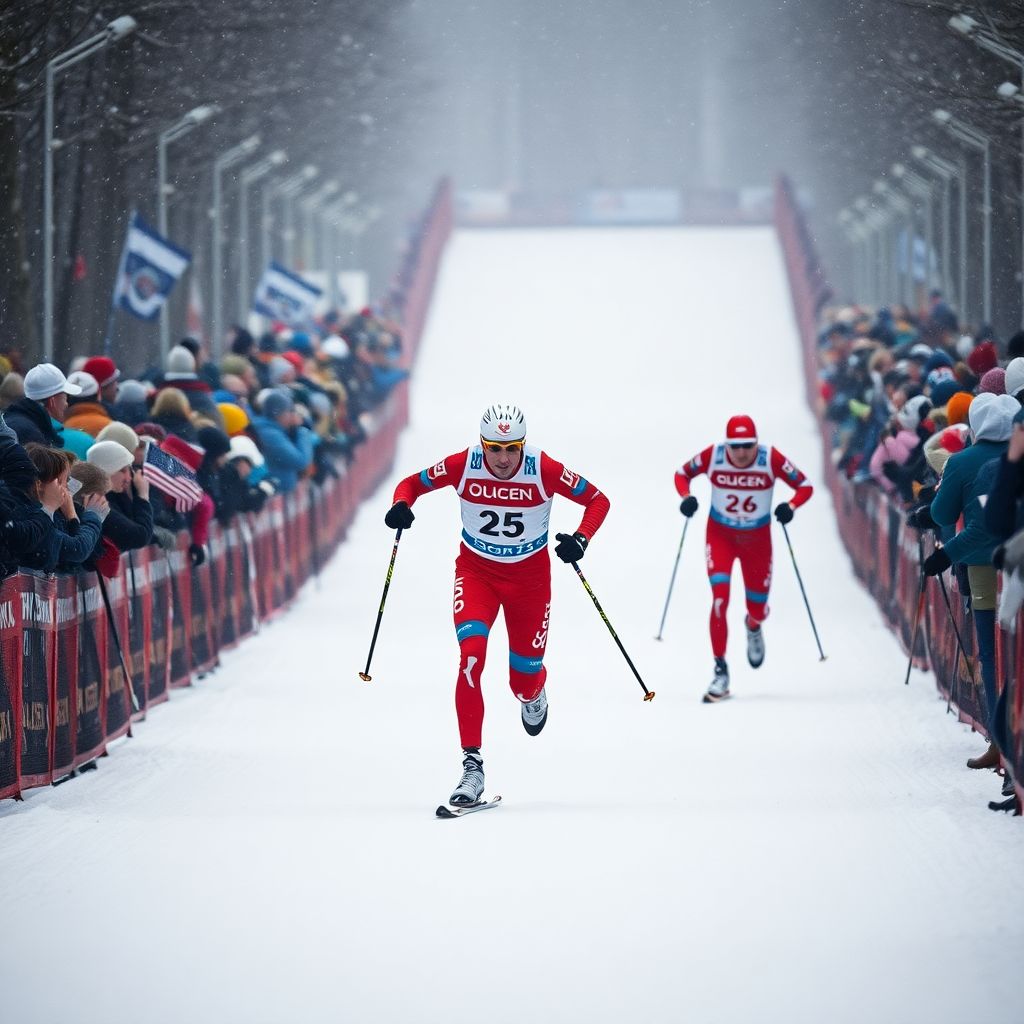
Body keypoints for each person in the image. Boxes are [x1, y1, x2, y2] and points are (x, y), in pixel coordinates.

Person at [384, 403, 610, 806]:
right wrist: (403, 506)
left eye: (511, 449)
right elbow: (410, 484)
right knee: (471, 655)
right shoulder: (463, 464)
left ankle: (534, 692)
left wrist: (581, 539)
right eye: (495, 448)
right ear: (482, 444)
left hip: (530, 582)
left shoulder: (543, 468)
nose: (503, 459)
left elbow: (597, 500)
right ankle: (472, 766)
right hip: (477, 575)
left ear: (522, 445)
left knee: (521, 682)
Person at [674, 414, 813, 703]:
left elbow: (805, 486)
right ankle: (720, 670)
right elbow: (681, 473)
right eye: (734, 446)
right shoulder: (714, 455)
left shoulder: (770, 458)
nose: (740, 453)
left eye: (747, 445)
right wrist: (686, 497)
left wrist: (790, 506)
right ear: (727, 445)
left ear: (756, 444)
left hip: (757, 541)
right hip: (721, 535)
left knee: (758, 608)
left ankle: (753, 625)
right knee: (720, 597)